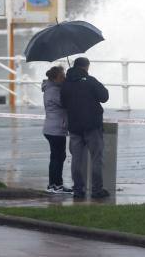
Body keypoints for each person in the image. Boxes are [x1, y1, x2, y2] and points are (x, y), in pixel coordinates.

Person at [61, 57, 109, 199]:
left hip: (75, 127)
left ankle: (78, 190)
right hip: (92, 126)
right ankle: (96, 190)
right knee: (96, 158)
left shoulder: (66, 83)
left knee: (76, 159)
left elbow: (63, 103)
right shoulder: (90, 81)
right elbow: (104, 96)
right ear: (86, 67)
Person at [41, 65, 73, 194]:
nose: (64, 78)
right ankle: (56, 185)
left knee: (57, 156)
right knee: (58, 157)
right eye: (62, 76)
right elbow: (65, 103)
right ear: (55, 78)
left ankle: (53, 184)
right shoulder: (54, 91)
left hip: (52, 128)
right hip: (56, 129)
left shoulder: (51, 88)